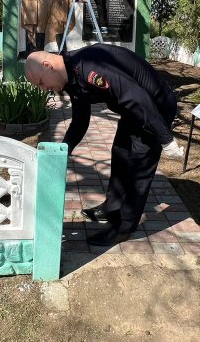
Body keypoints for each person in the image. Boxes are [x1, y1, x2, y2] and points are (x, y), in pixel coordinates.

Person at [25, 45, 185, 246]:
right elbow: (80, 121)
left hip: (155, 107)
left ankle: (124, 227)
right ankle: (112, 206)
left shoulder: (91, 68)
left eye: (41, 82)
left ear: (47, 66)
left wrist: (165, 138)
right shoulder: (71, 76)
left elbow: (138, 98)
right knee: (120, 152)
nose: (43, 88)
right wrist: (63, 151)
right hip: (133, 109)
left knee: (139, 166)